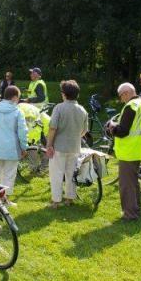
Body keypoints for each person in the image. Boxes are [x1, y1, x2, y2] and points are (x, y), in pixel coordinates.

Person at [45, 80, 88, 208]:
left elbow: (53, 128)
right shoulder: (82, 109)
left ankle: (56, 201)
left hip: (59, 146)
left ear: (63, 94)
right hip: (75, 146)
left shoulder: (59, 107)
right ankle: (70, 199)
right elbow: (84, 131)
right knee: (71, 174)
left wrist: (49, 145)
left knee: (56, 174)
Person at [110, 83, 141, 221]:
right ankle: (135, 209)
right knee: (133, 183)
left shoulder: (131, 106)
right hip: (137, 149)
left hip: (129, 151)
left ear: (126, 93)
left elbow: (123, 131)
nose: (121, 100)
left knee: (126, 185)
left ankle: (130, 214)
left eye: (121, 96)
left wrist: (112, 127)